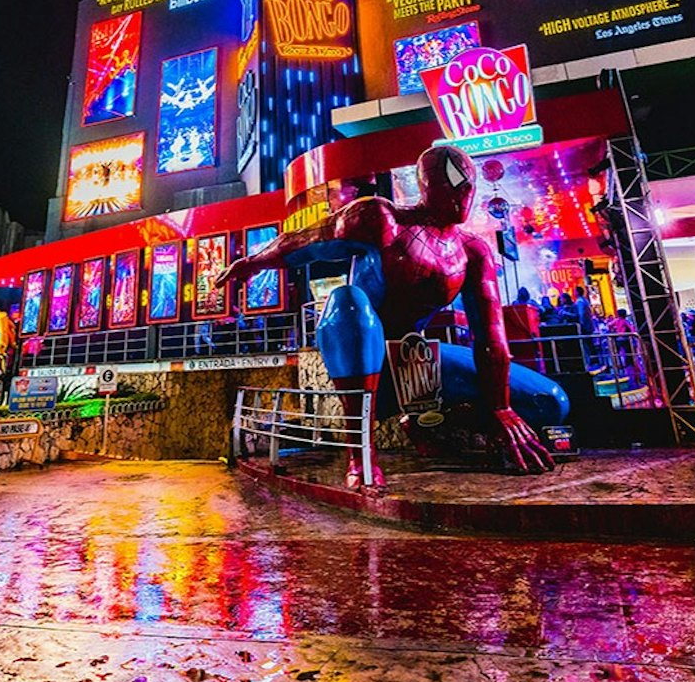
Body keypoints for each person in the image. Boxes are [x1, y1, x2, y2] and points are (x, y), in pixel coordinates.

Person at [215, 144, 564, 489]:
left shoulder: (472, 251)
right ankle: (360, 453)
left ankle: (431, 423)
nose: (461, 192)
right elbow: (306, 240)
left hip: (413, 364)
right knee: (348, 301)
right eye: (450, 181)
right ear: (426, 185)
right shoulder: (381, 219)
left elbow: (491, 336)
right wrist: (251, 264)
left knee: (549, 402)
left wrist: (500, 408)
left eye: (466, 183)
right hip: (358, 357)